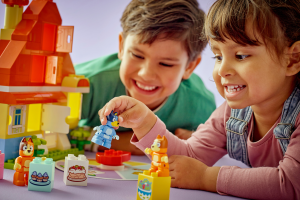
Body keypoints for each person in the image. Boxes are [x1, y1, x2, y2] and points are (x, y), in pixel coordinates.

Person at [98, 0, 300, 199]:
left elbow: (290, 184)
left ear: (293, 59)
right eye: (218, 56)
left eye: (240, 56)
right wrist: (143, 121)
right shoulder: (231, 115)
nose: (222, 70)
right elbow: (186, 160)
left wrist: (205, 177)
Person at [75, 0, 216, 154]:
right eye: (137, 55)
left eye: (165, 64)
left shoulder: (201, 107)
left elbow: (212, 145)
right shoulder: (85, 85)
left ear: (189, 67)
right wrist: (122, 142)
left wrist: (196, 142)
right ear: (121, 46)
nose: (146, 74)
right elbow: (49, 132)